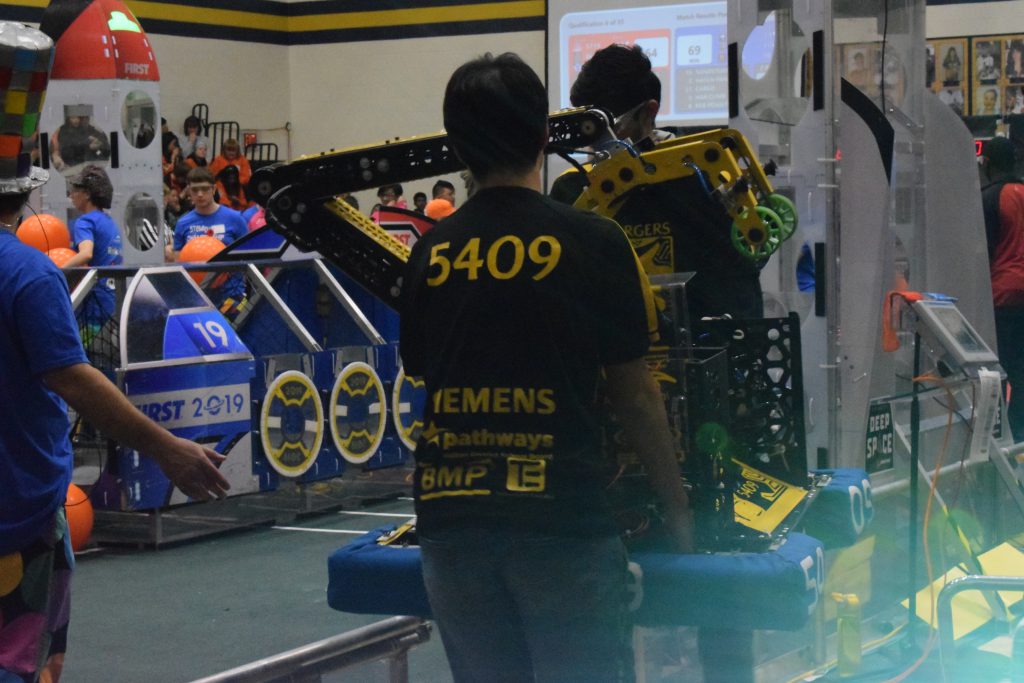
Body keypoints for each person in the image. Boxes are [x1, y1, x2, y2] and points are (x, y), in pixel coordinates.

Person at [400, 52, 693, 683]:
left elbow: (424, 370)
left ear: (456, 145)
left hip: (453, 525)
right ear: (542, 136)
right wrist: (679, 512)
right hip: (560, 519)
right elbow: (636, 397)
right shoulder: (593, 242)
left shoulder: (430, 252)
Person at [0, 23, 230, 682]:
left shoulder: (74, 242)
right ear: (29, 194)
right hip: (18, 511)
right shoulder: (27, 271)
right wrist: (167, 445)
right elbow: (72, 377)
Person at [551, 43, 764, 320]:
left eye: (611, 127)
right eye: (588, 127)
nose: (596, 142)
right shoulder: (572, 190)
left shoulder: (705, 173)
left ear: (649, 111)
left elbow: (743, 272)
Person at [981, 137, 1024, 441]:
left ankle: (1006, 436)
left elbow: (980, 252)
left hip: (1002, 297)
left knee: (1000, 370)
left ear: (987, 163)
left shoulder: (989, 197)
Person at [171, 167, 249, 315]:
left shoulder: (235, 219)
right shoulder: (183, 223)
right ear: (189, 192)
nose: (200, 194)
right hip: (197, 297)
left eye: (205, 189)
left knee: (233, 331)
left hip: (232, 295)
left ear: (214, 189)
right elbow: (179, 263)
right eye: (195, 190)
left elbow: (249, 254)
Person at [61, 166, 123, 336]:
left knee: (86, 349)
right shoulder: (108, 221)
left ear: (87, 194)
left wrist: (58, 272)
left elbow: (86, 253)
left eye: (74, 190)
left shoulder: (85, 222)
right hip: (112, 300)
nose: (71, 195)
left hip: (94, 303)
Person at [49, 107, 109, 173]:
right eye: (73, 118)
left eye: (87, 118)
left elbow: (103, 139)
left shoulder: (88, 129)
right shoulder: (64, 131)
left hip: (92, 164)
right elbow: (68, 150)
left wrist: (98, 143)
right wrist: (88, 146)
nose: (76, 120)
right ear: (68, 119)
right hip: (73, 166)